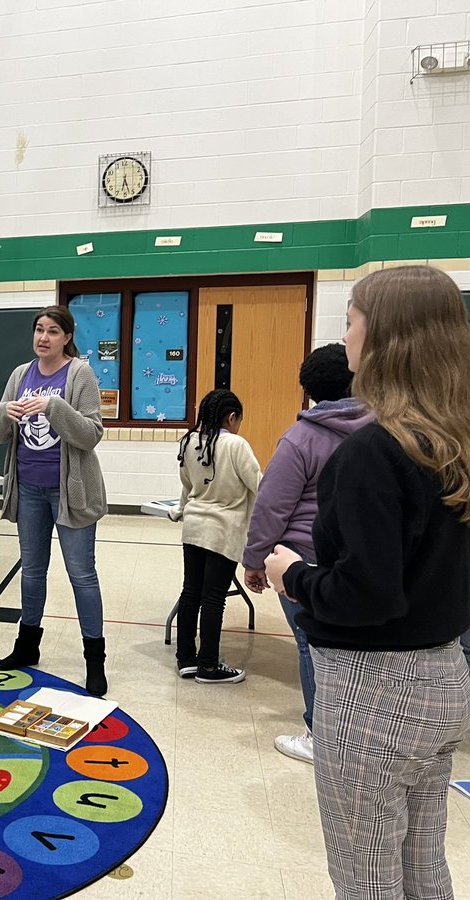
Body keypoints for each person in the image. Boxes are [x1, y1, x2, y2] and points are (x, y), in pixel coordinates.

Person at [266, 265, 470, 899]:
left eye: (351, 321)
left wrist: (294, 575)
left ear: (384, 338)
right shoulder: (454, 442)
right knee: (423, 864)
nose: (344, 336)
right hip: (444, 675)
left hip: (374, 691)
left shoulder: (375, 453)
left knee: (367, 876)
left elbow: (366, 594)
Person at [241, 344, 371, 763]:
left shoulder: (300, 439)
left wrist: (255, 561)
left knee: (311, 645)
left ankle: (320, 735)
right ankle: (357, 732)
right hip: (361, 559)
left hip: (303, 560)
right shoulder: (383, 430)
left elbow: (271, 507)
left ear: (308, 390)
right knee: (357, 650)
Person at [0, 305, 109, 696]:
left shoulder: (80, 373)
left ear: (67, 337)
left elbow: (91, 433)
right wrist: (4, 412)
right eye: (39, 329)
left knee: (81, 574)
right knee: (32, 571)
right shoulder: (20, 375)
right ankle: (27, 645)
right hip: (29, 490)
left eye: (53, 331)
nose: (43, 337)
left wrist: (53, 406)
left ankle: (95, 659)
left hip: (70, 491)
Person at [169, 389, 261, 685]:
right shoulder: (236, 444)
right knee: (213, 597)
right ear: (231, 417)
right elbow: (260, 486)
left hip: (194, 526)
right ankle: (208, 666)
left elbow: (186, 486)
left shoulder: (189, 441)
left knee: (190, 592)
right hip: (224, 530)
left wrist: (179, 510)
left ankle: (186, 659)